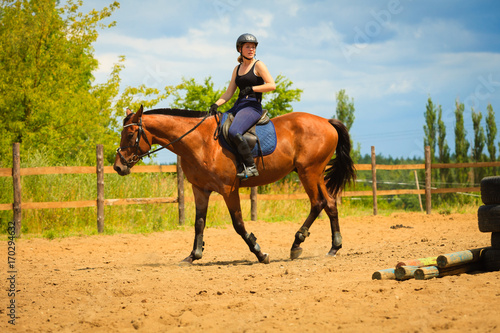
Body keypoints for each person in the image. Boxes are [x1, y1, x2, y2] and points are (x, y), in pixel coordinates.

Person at [210, 33, 276, 180]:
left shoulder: (258, 65)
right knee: (219, 126)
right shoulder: (237, 68)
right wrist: (216, 104)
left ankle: (250, 166)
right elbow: (228, 93)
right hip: (238, 106)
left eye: (253, 47)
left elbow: (272, 85)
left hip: (252, 107)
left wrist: (252, 89)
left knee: (234, 131)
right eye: (248, 47)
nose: (251, 49)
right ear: (240, 49)